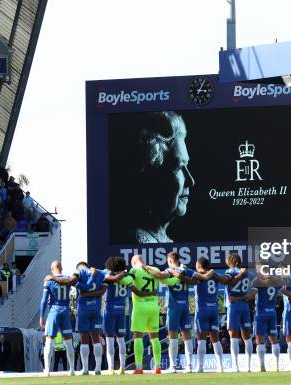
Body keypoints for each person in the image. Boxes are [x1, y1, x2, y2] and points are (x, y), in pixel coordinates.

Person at [115, 111, 195, 244]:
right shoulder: (135, 240)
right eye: (179, 168)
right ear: (152, 177)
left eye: (186, 165)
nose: (191, 181)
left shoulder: (162, 240)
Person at [48, 261, 125, 375]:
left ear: (78, 268)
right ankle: (98, 369)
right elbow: (104, 288)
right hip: (96, 310)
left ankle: (85, 369)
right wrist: (124, 273)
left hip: (83, 310)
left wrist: (52, 278)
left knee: (84, 341)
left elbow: (70, 281)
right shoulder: (100, 272)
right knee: (96, 340)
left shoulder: (79, 273)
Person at [128, 255, 180, 374]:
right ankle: (157, 367)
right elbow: (170, 282)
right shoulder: (154, 269)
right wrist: (179, 278)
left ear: (133, 262)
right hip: (153, 306)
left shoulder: (134, 270)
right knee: (155, 338)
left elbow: (126, 281)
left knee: (137, 337)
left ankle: (139, 367)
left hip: (140, 306)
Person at [212, 254, 251, 372]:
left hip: (233, 306)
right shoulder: (246, 273)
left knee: (233, 337)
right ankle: (248, 367)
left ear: (230, 262)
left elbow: (226, 281)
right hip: (245, 305)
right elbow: (252, 290)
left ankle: (236, 366)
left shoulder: (230, 271)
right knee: (247, 337)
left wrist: (214, 275)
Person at [162, 251, 198, 373]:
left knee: (172, 336)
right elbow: (196, 280)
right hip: (184, 306)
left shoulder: (169, 270)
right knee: (187, 335)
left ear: (171, 260)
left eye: (168, 260)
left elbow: (161, 275)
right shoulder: (186, 269)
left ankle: (173, 366)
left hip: (174, 307)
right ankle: (189, 366)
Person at [39, 260, 76, 376]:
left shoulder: (49, 280)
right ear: (61, 268)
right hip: (65, 311)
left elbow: (44, 300)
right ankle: (72, 370)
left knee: (49, 341)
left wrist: (41, 316)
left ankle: (47, 370)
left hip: (54, 311)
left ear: (52, 269)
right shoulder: (68, 279)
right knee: (69, 342)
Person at [188, 257, 224, 373]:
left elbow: (192, 278)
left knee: (201, 340)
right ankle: (221, 367)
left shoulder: (198, 275)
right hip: (214, 309)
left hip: (202, 310)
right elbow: (224, 280)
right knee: (216, 340)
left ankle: (200, 367)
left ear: (198, 265)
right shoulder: (214, 275)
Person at [101, 256, 133, 374]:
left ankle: (111, 368)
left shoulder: (109, 276)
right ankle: (123, 367)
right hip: (122, 310)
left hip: (110, 310)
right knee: (121, 340)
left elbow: (107, 277)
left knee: (109, 339)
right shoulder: (127, 277)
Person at [248, 264, 282, 372]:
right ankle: (277, 366)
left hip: (261, 313)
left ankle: (262, 366)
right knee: (274, 340)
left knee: (260, 341)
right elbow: (283, 283)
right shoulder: (275, 281)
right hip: (272, 312)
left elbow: (252, 290)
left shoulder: (257, 280)